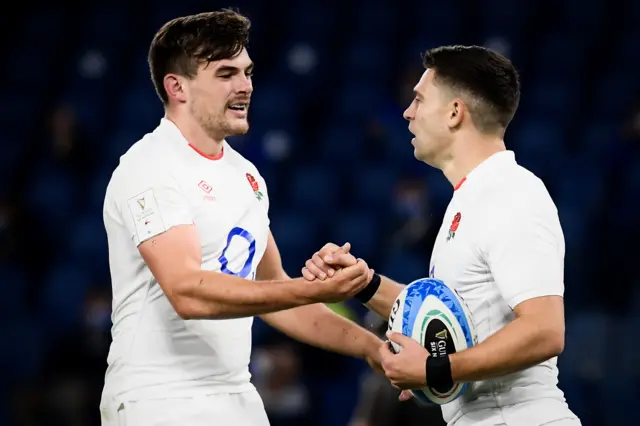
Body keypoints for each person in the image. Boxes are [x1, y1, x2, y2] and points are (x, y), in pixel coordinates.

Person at [98, 10, 384, 426]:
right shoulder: (150, 166)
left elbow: (274, 292)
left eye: (248, 72)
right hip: (158, 398)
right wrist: (309, 289)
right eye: (226, 73)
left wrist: (372, 348)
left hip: (235, 395)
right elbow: (187, 292)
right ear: (176, 86)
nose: (245, 86)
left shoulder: (246, 175)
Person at [303, 45, 582, 426]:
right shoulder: (470, 198)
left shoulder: (512, 193)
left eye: (419, 99)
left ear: (454, 112)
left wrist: (434, 370)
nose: (408, 112)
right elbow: (452, 317)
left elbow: (545, 330)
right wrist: (363, 284)